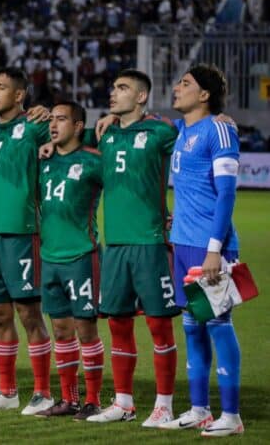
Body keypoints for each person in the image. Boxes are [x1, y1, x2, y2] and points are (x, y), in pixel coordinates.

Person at [85, 70, 180, 427]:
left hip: (150, 243)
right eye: (113, 87)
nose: (113, 93)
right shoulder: (105, 133)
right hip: (116, 247)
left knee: (159, 326)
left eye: (122, 88)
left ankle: (164, 405)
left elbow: (192, 144)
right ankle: (123, 403)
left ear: (141, 97)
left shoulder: (160, 131)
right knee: (119, 324)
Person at [159, 64, 244, 437]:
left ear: (205, 95)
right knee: (193, 327)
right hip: (183, 244)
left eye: (186, 83)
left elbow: (226, 193)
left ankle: (232, 415)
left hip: (211, 246)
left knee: (218, 325)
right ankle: (199, 409)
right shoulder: (182, 130)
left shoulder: (219, 130)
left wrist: (214, 250)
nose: (177, 87)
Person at [0, 67, 53, 414]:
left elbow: (71, 135)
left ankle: (43, 392)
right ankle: (7, 392)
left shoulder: (35, 126)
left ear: (20, 96)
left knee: (29, 313)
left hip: (23, 232)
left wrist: (48, 115)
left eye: (2, 88)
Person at [34, 101, 104, 420]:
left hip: (81, 256)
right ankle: (69, 399)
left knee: (85, 330)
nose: (53, 124)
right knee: (61, 330)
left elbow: (122, 187)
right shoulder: (44, 160)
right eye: (51, 119)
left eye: (61, 119)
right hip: (49, 257)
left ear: (78, 127)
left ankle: (93, 400)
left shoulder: (93, 161)